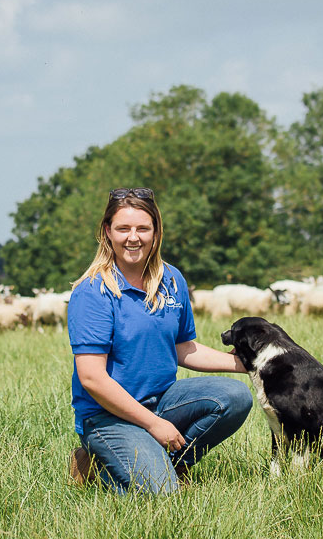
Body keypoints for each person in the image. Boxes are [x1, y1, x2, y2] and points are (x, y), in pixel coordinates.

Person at [67, 187, 252, 495]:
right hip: (107, 415)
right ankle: (97, 465)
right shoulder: (92, 291)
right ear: (107, 232)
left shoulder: (171, 279)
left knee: (235, 396)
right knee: (163, 495)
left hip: (162, 400)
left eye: (143, 228)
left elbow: (182, 347)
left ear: (156, 231)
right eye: (123, 228)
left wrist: (250, 364)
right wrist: (153, 425)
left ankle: (171, 462)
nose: (133, 237)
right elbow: (92, 378)